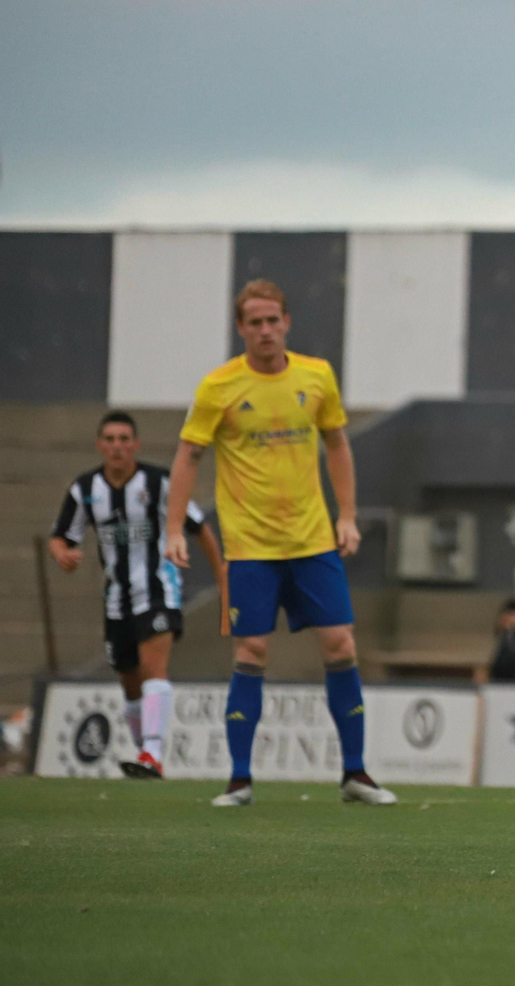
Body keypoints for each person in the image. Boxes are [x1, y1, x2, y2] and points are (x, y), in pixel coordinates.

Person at [165, 279, 396, 807]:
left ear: (286, 322)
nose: (265, 330)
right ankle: (240, 779)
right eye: (255, 322)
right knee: (252, 650)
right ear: (241, 328)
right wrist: (174, 527)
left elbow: (337, 443)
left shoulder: (316, 376)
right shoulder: (218, 387)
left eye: (273, 320)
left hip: (313, 541)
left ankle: (356, 774)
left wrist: (349, 516)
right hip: (249, 547)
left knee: (340, 645)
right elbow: (188, 455)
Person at [48, 411, 227, 777]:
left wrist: (222, 573)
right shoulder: (85, 489)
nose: (117, 446)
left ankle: (153, 755)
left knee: (153, 667)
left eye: (124, 439)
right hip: (116, 598)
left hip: (158, 589)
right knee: (129, 681)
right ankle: (145, 750)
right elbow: (61, 536)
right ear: (100, 445)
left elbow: (198, 526)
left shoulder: (160, 482)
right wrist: (62, 553)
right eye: (110, 439)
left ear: (136, 444)